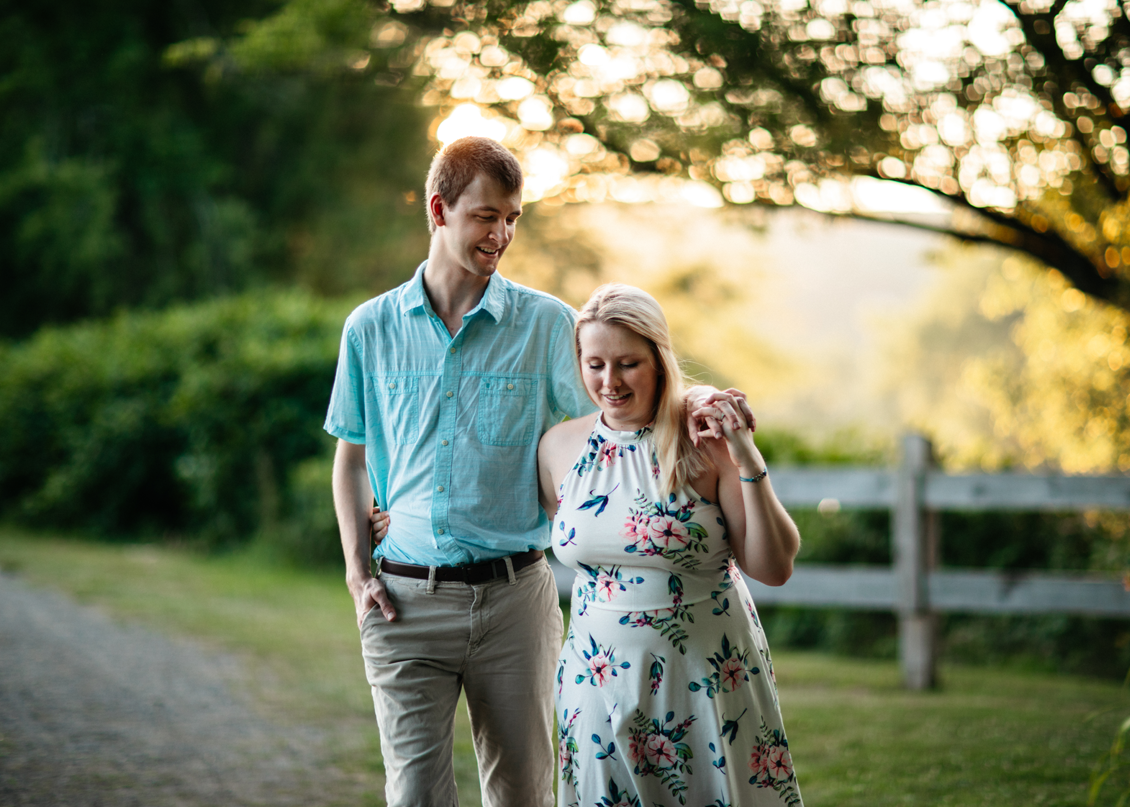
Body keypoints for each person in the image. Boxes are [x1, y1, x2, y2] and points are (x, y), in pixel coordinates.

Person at [328, 136, 752, 806]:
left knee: (523, 792)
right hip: (404, 601)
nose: (500, 233)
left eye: (512, 218)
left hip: (514, 603)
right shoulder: (369, 328)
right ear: (439, 210)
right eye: (485, 216)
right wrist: (358, 571)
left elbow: (625, 403)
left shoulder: (549, 325)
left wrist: (694, 397)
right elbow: (351, 455)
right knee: (412, 794)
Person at [536, 284, 803, 807]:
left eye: (627, 363)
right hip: (595, 681)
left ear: (659, 360)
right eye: (595, 364)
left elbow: (773, 568)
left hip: (702, 678)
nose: (609, 382)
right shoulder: (558, 447)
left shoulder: (704, 440)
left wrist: (747, 460)